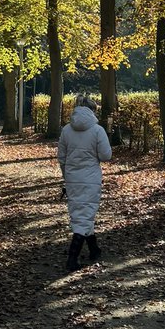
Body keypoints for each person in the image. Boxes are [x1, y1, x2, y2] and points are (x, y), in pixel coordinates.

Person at [57, 95, 112, 271]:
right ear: (93, 110)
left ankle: (95, 250)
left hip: (73, 178)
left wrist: (67, 175)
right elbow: (106, 156)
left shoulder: (66, 130)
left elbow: (62, 157)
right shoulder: (97, 130)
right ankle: (72, 259)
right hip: (91, 178)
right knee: (84, 216)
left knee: (82, 214)